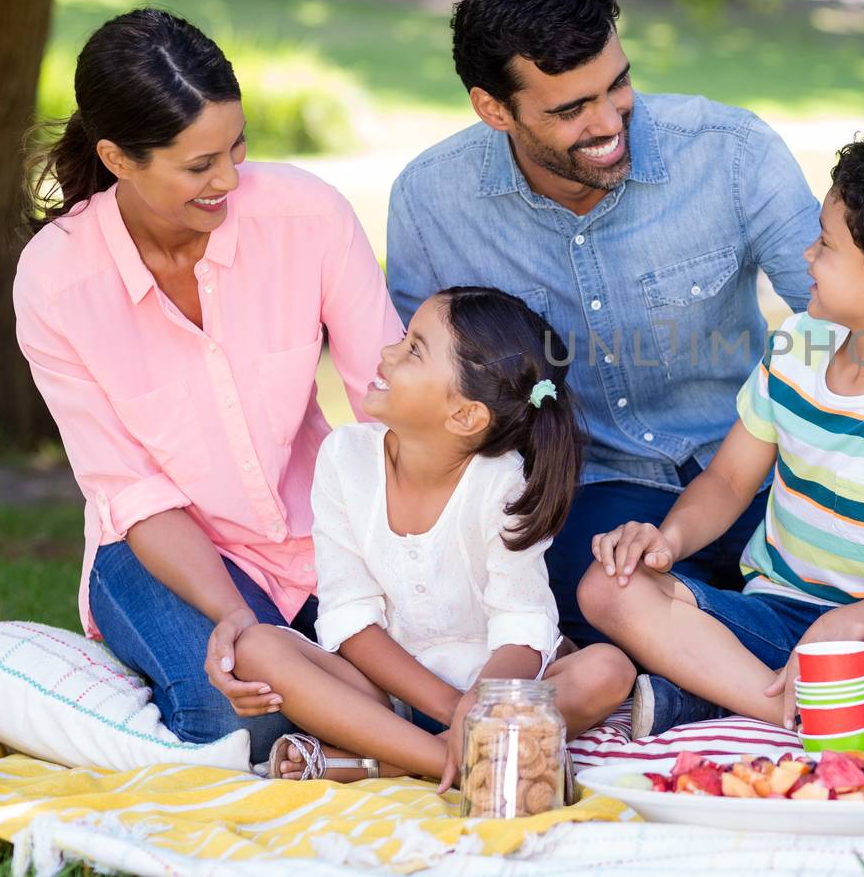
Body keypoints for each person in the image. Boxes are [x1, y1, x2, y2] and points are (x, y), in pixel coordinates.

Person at [387, 0, 864, 648]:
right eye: (571, 109)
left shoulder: (731, 153)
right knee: (590, 603)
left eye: (619, 84)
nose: (608, 122)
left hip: (773, 474)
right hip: (598, 494)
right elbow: (424, 398)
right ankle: (745, 676)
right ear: (494, 108)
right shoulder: (430, 205)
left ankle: (715, 672)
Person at [13, 9, 406, 767]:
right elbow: (132, 493)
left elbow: (388, 403)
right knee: (235, 719)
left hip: (318, 532)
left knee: (427, 665)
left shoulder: (306, 216)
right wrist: (235, 617)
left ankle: (360, 731)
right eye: (199, 166)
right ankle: (370, 726)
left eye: (238, 148)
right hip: (159, 550)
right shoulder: (57, 281)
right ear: (117, 158)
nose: (229, 180)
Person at [578, 136, 864, 748]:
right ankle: (822, 714)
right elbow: (729, 480)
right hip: (769, 614)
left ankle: (720, 696)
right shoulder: (797, 346)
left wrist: (849, 623)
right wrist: (665, 541)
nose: (808, 254)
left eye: (827, 245)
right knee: (607, 586)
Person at [235, 287, 634, 781]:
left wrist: (480, 704)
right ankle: (456, 762)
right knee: (257, 649)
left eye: (413, 349)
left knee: (608, 670)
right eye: (404, 337)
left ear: (465, 415)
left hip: (492, 688)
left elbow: (521, 627)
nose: (387, 352)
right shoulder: (344, 458)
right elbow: (348, 618)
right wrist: (457, 711)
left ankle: (374, 763)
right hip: (385, 692)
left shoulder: (502, 483)